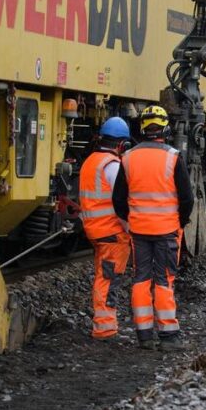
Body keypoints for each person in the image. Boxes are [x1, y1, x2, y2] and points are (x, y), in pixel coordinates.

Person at [112, 105, 194, 351]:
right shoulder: (173, 156)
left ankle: (144, 334)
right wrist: (180, 221)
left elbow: (118, 199)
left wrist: (131, 219)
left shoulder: (128, 158)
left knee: (140, 278)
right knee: (163, 280)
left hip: (138, 231)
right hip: (167, 230)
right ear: (165, 128)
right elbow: (187, 198)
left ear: (143, 128)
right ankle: (169, 335)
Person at [78, 117, 132, 340]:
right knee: (108, 280)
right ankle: (105, 328)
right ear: (121, 145)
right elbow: (120, 203)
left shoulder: (90, 161)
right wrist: (130, 229)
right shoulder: (113, 166)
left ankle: (105, 325)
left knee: (103, 277)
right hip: (112, 234)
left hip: (95, 231)